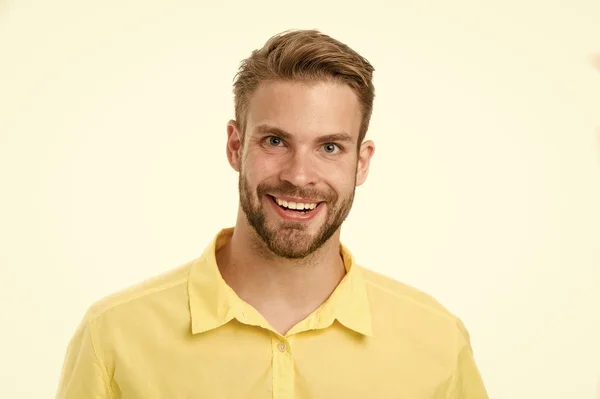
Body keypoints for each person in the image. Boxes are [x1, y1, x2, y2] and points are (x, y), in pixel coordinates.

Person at [56, 29, 489, 399]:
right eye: (275, 142)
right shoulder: (114, 335)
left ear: (361, 162)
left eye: (330, 147)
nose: (300, 176)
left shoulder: (436, 339)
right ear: (234, 146)